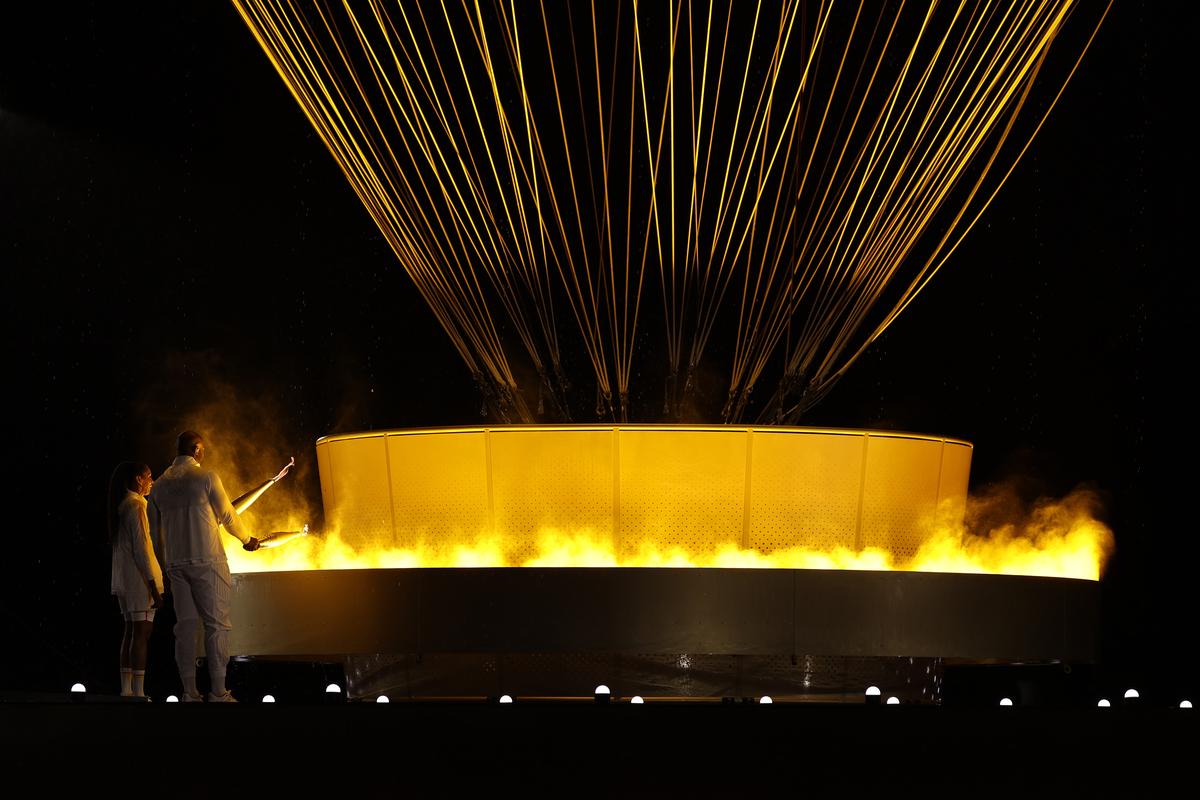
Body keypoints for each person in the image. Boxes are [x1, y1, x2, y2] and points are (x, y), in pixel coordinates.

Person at [148, 430, 261, 702]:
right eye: (203, 449)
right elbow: (228, 515)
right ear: (196, 449)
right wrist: (248, 539)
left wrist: (163, 567)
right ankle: (219, 691)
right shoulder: (206, 477)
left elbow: (153, 532)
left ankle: (189, 692)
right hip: (208, 562)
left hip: (176, 564)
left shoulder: (160, 486)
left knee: (185, 627)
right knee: (217, 625)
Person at [108, 461, 163, 699]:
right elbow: (142, 550)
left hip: (126, 580)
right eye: (149, 477)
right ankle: (138, 692)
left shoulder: (122, 506)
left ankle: (126, 690)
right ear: (138, 479)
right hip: (139, 581)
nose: (152, 481)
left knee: (130, 631)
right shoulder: (136, 506)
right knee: (141, 634)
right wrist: (154, 586)